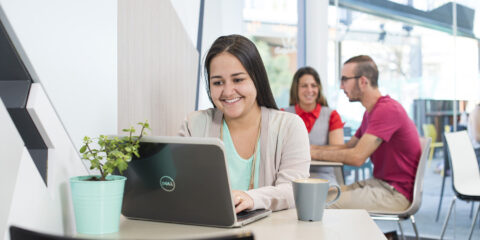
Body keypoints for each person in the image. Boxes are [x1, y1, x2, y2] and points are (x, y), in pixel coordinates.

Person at [179, 35, 310, 213]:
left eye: (238, 79)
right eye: (217, 82)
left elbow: (294, 190)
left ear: (257, 79)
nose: (227, 91)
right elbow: (177, 184)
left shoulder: (289, 126)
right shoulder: (193, 124)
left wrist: (251, 198)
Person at [310, 55, 421, 212]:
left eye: (344, 80)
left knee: (319, 205)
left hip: (395, 193)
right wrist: (310, 149)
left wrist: (312, 154)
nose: (341, 86)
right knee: (317, 197)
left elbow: (356, 157)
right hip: (380, 184)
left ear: (362, 81)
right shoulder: (371, 112)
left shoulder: (386, 110)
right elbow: (348, 147)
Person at [285, 66, 344, 184]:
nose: (309, 90)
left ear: (319, 88)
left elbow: (337, 149)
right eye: (304, 86)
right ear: (296, 89)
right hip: (291, 176)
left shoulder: (332, 115)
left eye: (313, 85)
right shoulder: (284, 115)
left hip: (324, 177)